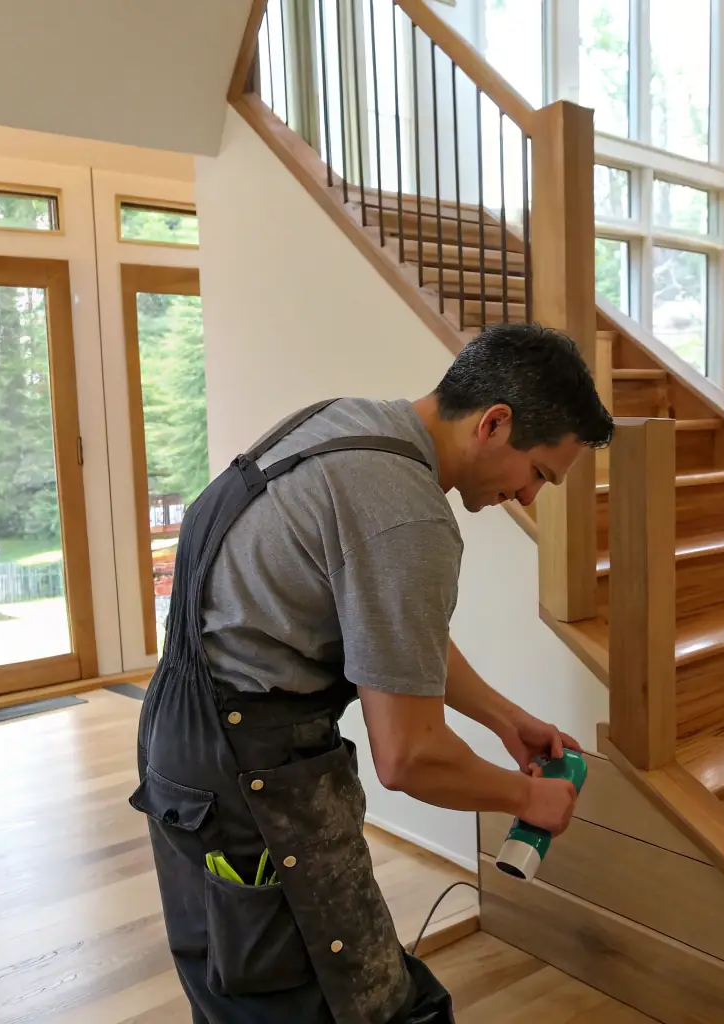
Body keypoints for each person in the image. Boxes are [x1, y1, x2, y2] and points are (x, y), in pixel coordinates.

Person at [130, 322, 614, 1023]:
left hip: (182, 741)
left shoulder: (343, 423)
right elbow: (410, 758)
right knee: (326, 1005)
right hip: (244, 776)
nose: (530, 496)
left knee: (239, 981)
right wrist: (525, 799)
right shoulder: (407, 518)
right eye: (538, 471)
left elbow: (393, 639)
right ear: (495, 422)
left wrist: (505, 720)